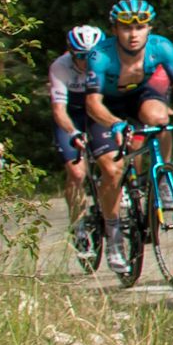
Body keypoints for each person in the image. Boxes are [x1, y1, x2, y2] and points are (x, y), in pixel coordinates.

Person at [83, 0, 173, 275]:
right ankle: (114, 237)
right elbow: (92, 103)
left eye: (140, 27)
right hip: (106, 107)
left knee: (160, 119)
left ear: (149, 28)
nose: (134, 34)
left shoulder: (161, 47)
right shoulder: (100, 55)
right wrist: (115, 124)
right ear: (115, 29)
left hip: (139, 95)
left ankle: (161, 175)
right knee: (112, 171)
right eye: (126, 28)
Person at [46, 25, 103, 234]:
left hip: (96, 114)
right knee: (77, 173)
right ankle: (78, 223)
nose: (87, 61)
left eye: (92, 55)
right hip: (70, 118)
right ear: (71, 53)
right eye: (81, 55)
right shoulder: (60, 67)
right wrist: (73, 133)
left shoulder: (109, 63)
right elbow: (59, 111)